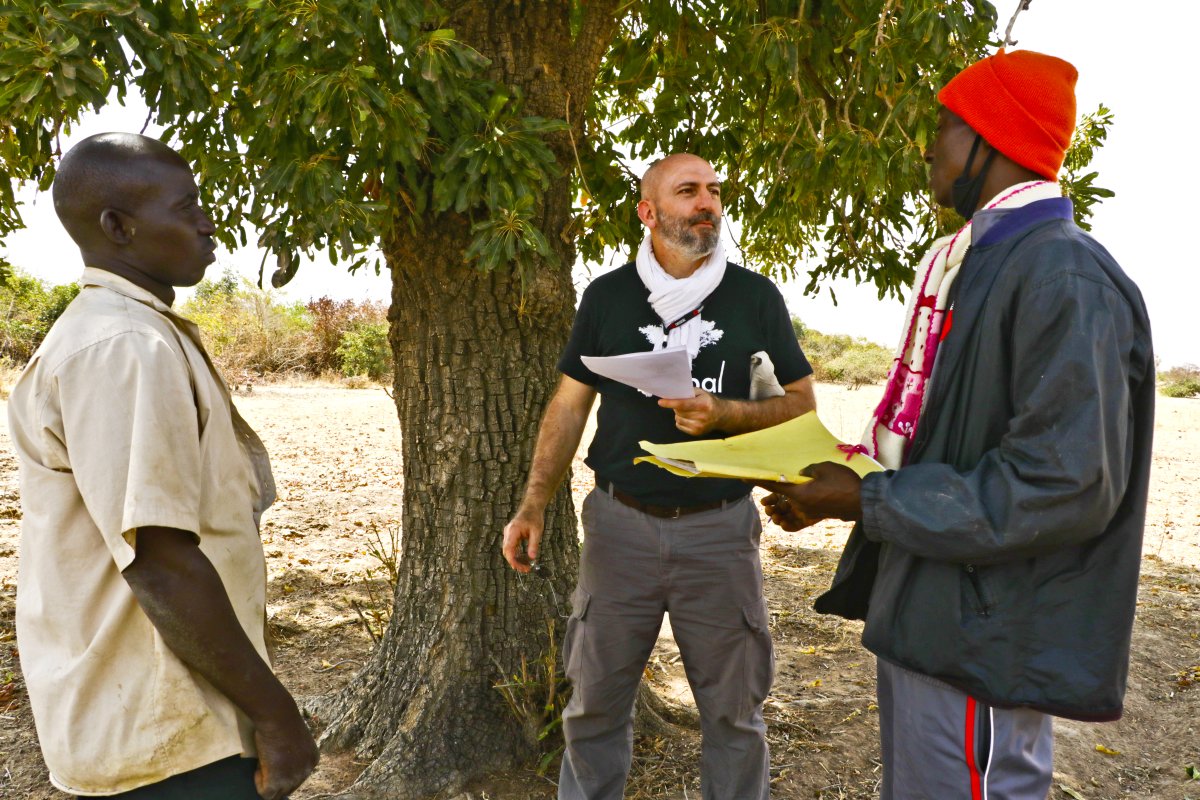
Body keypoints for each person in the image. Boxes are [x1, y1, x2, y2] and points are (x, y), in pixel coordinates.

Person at [760, 50, 1155, 799]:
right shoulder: (975, 262)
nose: (928, 148)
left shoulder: (1063, 275)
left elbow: (1063, 483)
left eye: (943, 126)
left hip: (984, 638)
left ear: (989, 139)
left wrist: (867, 498)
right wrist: (843, 492)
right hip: (939, 613)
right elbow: (943, 440)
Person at [7, 133, 319, 798]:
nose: (208, 224)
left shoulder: (129, 331)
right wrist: (277, 716)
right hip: (161, 730)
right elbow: (159, 559)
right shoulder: (123, 346)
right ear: (118, 227)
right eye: (186, 208)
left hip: (165, 711)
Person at [502, 153, 816, 799]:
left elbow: (801, 406)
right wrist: (533, 504)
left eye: (714, 192)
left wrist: (725, 412)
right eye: (688, 191)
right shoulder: (608, 296)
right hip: (620, 528)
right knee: (593, 708)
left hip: (719, 531)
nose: (707, 203)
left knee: (734, 714)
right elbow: (569, 404)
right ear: (649, 212)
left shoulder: (754, 296)